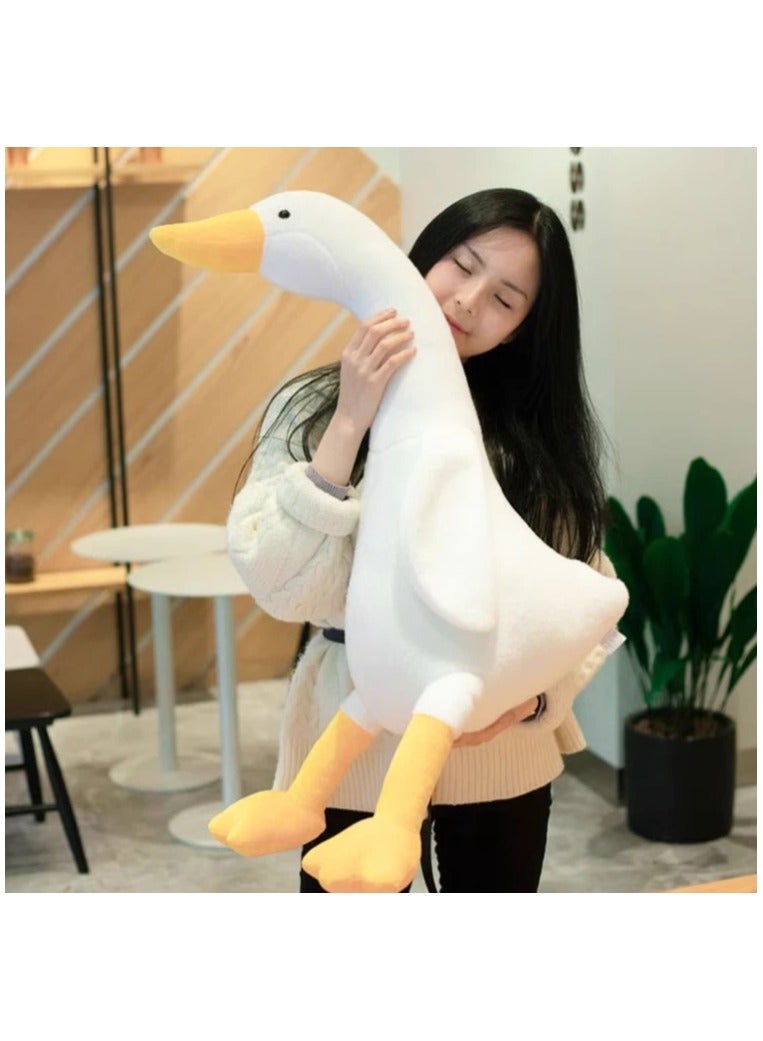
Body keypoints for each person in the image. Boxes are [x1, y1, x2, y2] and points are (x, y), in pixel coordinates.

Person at [227, 187, 619, 893]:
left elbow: (586, 591)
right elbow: (276, 584)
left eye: (504, 299)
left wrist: (530, 701)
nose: (467, 301)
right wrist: (348, 423)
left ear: (523, 327)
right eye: (460, 265)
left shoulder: (535, 442)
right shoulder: (309, 407)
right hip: (352, 746)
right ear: (422, 256)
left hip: (501, 754)